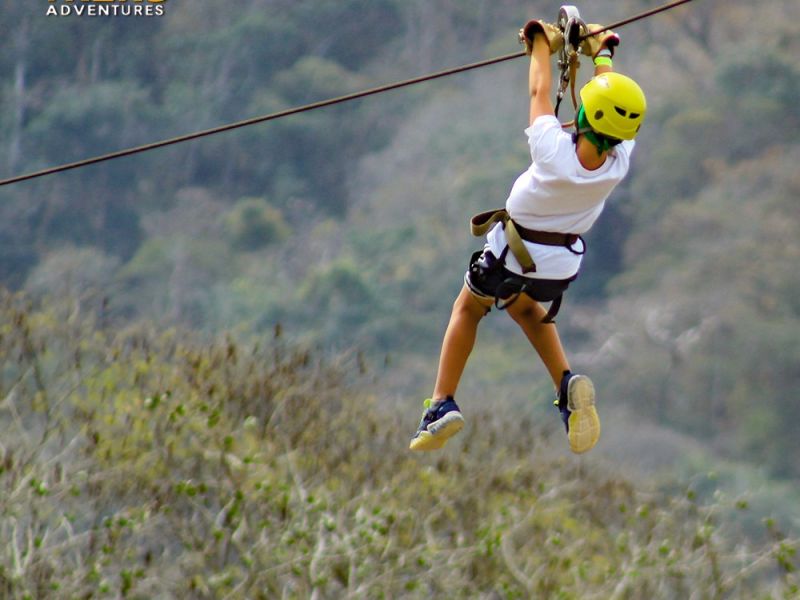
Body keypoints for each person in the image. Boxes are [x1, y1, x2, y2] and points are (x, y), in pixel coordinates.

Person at [409, 19, 647, 454]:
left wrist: (539, 42)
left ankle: (441, 402)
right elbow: (607, 102)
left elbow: (540, 94)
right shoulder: (620, 161)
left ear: (585, 114)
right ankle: (565, 383)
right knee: (524, 307)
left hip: (512, 252)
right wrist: (602, 53)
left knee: (468, 308)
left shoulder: (554, 152)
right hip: (556, 268)